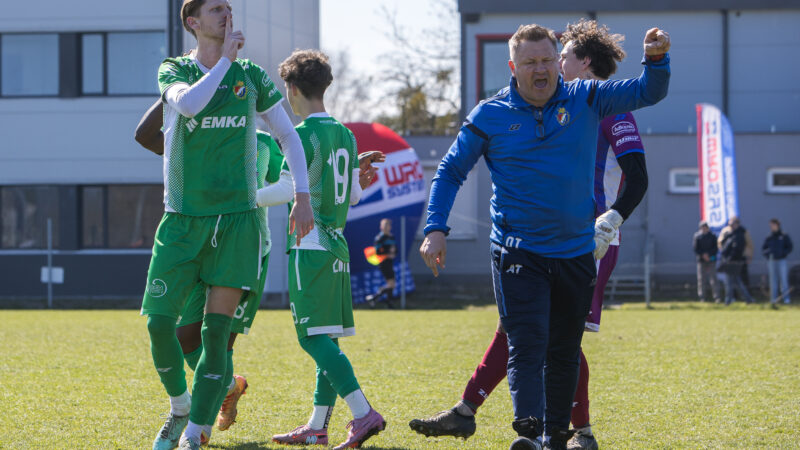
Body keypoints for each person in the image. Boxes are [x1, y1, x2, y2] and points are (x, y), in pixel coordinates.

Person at [411, 19, 653, 450]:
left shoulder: (600, 101)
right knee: (523, 333)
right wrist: (436, 227)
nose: (550, 66)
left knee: (558, 342)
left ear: (582, 62)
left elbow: (638, 175)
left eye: (559, 56)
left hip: (589, 239)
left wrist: (610, 222)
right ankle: (503, 420)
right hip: (523, 244)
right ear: (515, 66)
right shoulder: (502, 111)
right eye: (535, 61)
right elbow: (450, 170)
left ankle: (571, 431)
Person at [141, 1, 314, 449]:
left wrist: (302, 195)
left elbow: (288, 135)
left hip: (237, 225)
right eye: (215, 8)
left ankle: (194, 433)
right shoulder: (174, 70)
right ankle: (180, 406)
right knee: (159, 325)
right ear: (193, 22)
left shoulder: (250, 76)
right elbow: (189, 105)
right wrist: (224, 64)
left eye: (228, 7)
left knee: (216, 335)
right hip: (182, 221)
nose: (226, 14)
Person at [256, 49, 386, 450]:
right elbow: (355, 195)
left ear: (292, 89)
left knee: (311, 338)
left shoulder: (300, 135)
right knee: (325, 337)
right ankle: (316, 426)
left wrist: (243, 198)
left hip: (310, 246)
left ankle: (363, 413)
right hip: (337, 248)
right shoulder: (345, 134)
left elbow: (286, 189)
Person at [135, 99, 285, 444]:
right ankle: (227, 386)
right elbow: (145, 136)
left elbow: (291, 182)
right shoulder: (190, 134)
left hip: (244, 248)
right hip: (195, 245)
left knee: (219, 340)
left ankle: (196, 429)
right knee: (183, 338)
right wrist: (174, 90)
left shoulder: (262, 142)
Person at [718, 217, 755, 305]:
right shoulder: (727, 232)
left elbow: (745, 246)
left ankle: (743, 299)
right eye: (730, 224)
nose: (731, 226)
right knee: (732, 282)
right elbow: (721, 244)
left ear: (737, 224)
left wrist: (748, 256)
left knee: (738, 282)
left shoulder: (742, 233)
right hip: (728, 261)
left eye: (732, 224)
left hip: (737, 261)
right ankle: (736, 299)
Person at [366, 218, 398, 308]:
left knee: (391, 284)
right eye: (384, 225)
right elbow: (377, 251)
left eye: (388, 225)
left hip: (390, 262)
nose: (387, 227)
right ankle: (375, 298)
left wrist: (393, 253)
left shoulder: (391, 237)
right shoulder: (379, 238)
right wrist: (388, 254)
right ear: (381, 227)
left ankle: (387, 302)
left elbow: (395, 249)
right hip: (383, 263)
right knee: (391, 284)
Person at [762, 218, 793, 305]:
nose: (771, 227)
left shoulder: (784, 236)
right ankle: (773, 299)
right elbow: (764, 249)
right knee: (773, 281)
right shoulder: (769, 237)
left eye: (773, 225)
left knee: (784, 280)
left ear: (777, 225)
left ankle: (786, 299)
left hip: (782, 260)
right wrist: (768, 254)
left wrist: (783, 253)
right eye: (770, 225)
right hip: (772, 261)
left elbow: (790, 247)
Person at [693, 221, 721, 303]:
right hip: (701, 260)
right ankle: (702, 297)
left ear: (708, 228)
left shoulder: (712, 236)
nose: (704, 229)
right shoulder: (697, 236)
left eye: (705, 227)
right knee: (701, 279)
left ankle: (716, 297)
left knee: (713, 278)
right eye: (702, 227)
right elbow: (696, 249)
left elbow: (715, 248)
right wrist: (703, 255)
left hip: (711, 259)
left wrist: (708, 255)